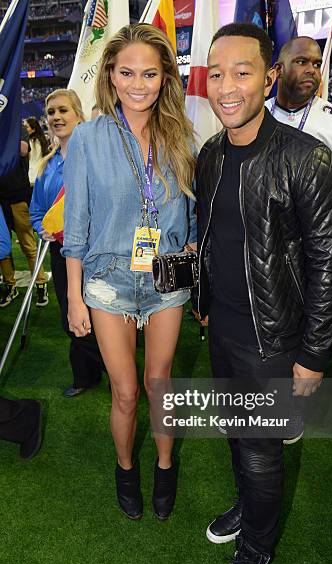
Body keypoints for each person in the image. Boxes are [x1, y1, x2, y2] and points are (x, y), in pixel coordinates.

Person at [197, 23, 332, 564]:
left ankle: (257, 549)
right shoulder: (211, 154)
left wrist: (312, 355)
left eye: (241, 71)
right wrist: (204, 302)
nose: (226, 86)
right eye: (216, 72)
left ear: (267, 78)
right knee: (239, 434)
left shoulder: (306, 158)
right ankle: (250, 507)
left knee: (261, 448)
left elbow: (328, 263)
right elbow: (215, 238)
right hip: (224, 328)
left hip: (275, 341)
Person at [62, 24, 197, 521]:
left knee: (159, 382)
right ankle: (125, 469)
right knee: (125, 391)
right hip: (107, 279)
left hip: (168, 274)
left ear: (165, 78)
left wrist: (194, 257)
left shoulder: (180, 134)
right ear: (111, 78)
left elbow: (193, 211)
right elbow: (75, 225)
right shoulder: (88, 139)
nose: (138, 84)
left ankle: (164, 467)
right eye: (127, 73)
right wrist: (75, 298)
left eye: (150, 73)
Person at [266, 37, 332, 288]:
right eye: (301, 61)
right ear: (278, 70)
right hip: (263, 247)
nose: (311, 69)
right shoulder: (257, 115)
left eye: (317, 64)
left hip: (315, 252)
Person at [30, 89, 105, 398]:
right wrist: (42, 229)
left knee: (101, 317)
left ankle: (119, 371)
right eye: (51, 112)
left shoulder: (96, 158)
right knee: (70, 319)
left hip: (95, 251)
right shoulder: (46, 166)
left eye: (63, 110)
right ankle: (87, 375)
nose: (57, 117)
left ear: (78, 114)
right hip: (61, 255)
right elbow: (36, 211)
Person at [0, 125, 48, 308]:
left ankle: (40, 283)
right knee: (3, 248)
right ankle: (10, 285)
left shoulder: (15, 126)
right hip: (1, 199)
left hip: (17, 196)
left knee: (28, 244)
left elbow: (22, 149)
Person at [24, 117, 50, 188]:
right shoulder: (42, 140)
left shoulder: (32, 142)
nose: (24, 129)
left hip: (32, 176)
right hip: (42, 175)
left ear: (33, 129)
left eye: (26, 127)